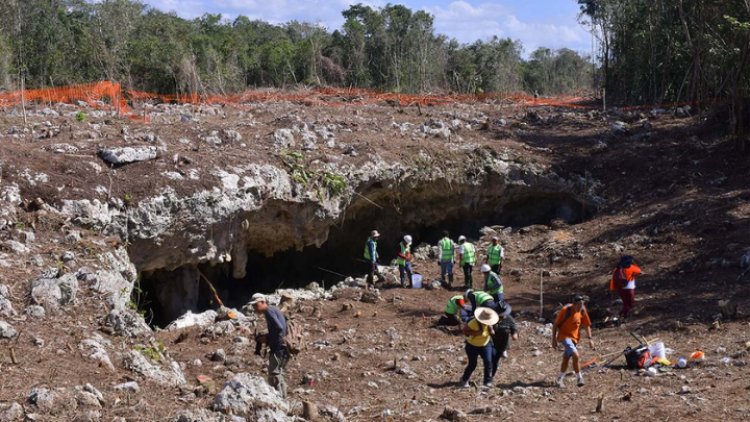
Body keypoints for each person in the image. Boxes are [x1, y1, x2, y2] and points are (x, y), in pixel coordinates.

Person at [247, 293, 290, 397]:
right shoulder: (273, 309)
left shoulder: (269, 311)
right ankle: (283, 397)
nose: (254, 308)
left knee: (274, 374)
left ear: (262, 302)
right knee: (279, 373)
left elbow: (279, 327)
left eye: (255, 305)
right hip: (284, 347)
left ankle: (279, 400)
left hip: (279, 347)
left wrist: (267, 338)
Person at [552, 295, 594, 388]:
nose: (580, 307)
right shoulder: (565, 310)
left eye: (582, 305)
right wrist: (554, 339)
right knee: (575, 355)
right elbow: (555, 324)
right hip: (564, 336)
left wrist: (590, 339)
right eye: (578, 305)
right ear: (573, 304)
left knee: (566, 359)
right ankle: (579, 378)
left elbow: (587, 325)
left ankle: (559, 379)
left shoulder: (582, 310)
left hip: (574, 338)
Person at [458, 307, 499, 388]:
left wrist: (492, 330)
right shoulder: (474, 322)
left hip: (485, 345)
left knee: (488, 362)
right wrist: (475, 332)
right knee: (472, 364)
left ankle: (487, 382)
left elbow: (493, 332)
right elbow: (465, 331)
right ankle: (464, 379)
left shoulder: (490, 321)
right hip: (472, 346)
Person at [491, 301, 517, 377]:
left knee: (496, 360)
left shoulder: (509, 319)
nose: (504, 316)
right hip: (492, 342)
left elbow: (513, 328)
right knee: (491, 358)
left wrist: (514, 334)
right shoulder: (491, 318)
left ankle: (491, 375)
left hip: (503, 344)